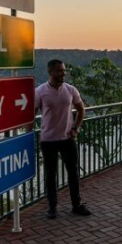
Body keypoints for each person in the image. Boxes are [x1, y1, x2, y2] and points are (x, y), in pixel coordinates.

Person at [36, 60, 90, 219]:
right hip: (48, 140)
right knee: (50, 175)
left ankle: (76, 205)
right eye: (59, 71)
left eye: (64, 70)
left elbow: (81, 110)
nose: (63, 73)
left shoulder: (70, 90)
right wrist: (29, 135)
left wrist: (76, 128)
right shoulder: (40, 91)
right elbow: (31, 114)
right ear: (50, 72)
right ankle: (52, 208)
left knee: (73, 172)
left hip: (67, 139)